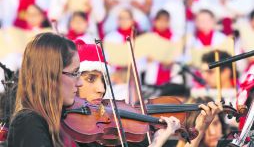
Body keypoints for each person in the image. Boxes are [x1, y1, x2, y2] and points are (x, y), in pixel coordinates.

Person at [6, 32, 183, 147]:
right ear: (50, 75)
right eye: (75, 73)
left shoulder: (59, 122)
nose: (79, 83)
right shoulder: (29, 122)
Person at [74, 39, 224, 147]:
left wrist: (201, 126)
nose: (101, 88)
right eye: (90, 79)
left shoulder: (113, 131)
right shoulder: (67, 134)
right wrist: (158, 142)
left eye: (104, 79)